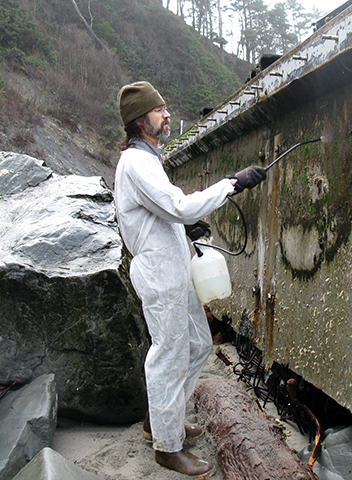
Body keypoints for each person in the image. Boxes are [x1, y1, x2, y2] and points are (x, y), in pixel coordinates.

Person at [114, 81, 266, 478]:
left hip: (174, 270)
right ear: (139, 120)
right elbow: (177, 206)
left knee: (198, 343)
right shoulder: (136, 163)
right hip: (160, 276)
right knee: (167, 356)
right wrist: (231, 184)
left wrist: (185, 230)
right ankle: (167, 447)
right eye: (159, 110)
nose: (166, 115)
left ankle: (161, 420)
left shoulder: (148, 159)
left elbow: (160, 214)